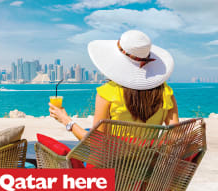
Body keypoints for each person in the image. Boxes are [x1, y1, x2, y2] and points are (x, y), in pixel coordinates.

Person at [49, 30, 179, 140]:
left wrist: (66, 120)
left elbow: (96, 143)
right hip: (147, 164)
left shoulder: (108, 92)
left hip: (113, 164)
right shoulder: (166, 92)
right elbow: (175, 135)